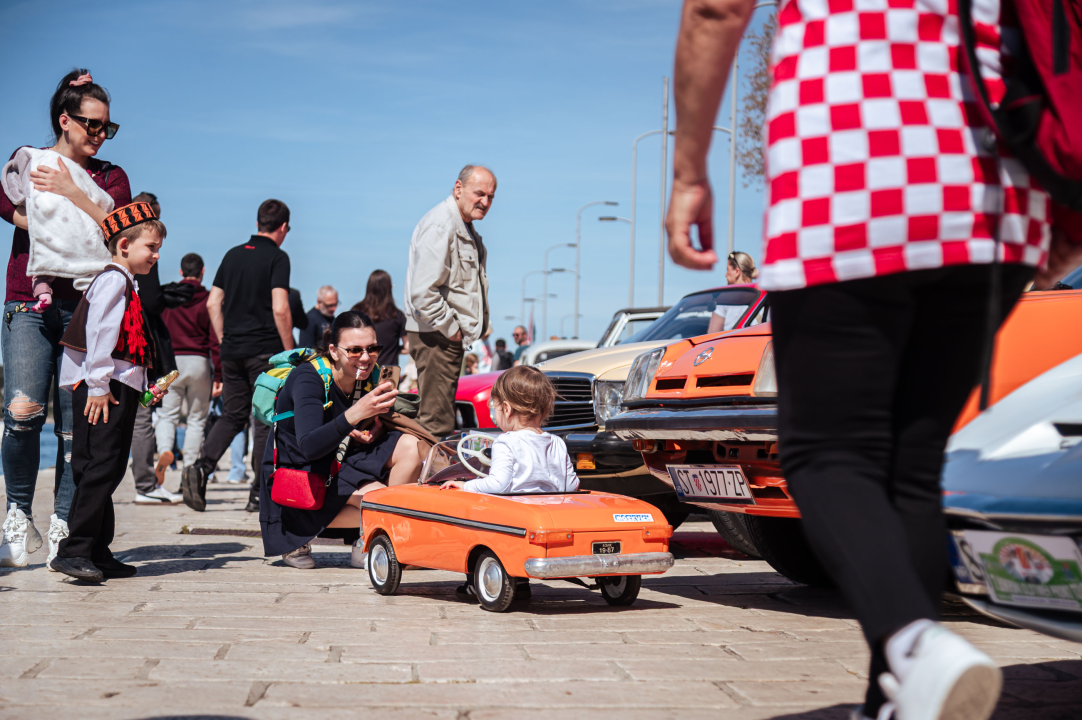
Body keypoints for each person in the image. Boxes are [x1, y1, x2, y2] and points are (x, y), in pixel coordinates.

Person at [665, 1, 1082, 718]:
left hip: (859, 176)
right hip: (1000, 200)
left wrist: (689, 170)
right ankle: (894, 698)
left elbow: (716, 8)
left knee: (828, 453)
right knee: (911, 464)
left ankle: (915, 642)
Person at [0, 69, 131, 569]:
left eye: (107, 128)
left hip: (86, 307)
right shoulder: (32, 160)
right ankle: (17, 516)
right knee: (23, 411)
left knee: (77, 427)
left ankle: (64, 523)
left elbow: (123, 225)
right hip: (26, 301)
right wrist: (42, 223)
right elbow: (3, 196)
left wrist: (71, 196)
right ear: (64, 120)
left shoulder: (110, 177)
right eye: (92, 125)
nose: (100, 135)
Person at [50, 202, 167, 582]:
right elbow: (99, 332)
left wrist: (145, 384)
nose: (156, 254)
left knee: (107, 465)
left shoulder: (123, 282)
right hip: (104, 388)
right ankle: (75, 549)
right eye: (150, 246)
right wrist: (98, 385)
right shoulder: (114, 280)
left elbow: (125, 342)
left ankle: (97, 550)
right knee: (100, 465)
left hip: (116, 385)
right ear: (123, 245)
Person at [260, 312, 425, 569]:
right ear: (334, 351)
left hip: (341, 459)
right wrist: (357, 413)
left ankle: (367, 540)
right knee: (384, 500)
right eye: (355, 350)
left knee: (410, 446)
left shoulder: (371, 375)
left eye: (372, 348)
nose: (366, 357)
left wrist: (374, 430)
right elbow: (309, 446)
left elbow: (352, 426)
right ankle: (302, 534)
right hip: (301, 472)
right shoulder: (308, 378)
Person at [181, 199, 293, 514]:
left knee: (232, 415)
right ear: (283, 227)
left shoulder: (232, 255)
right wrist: (288, 352)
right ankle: (258, 494)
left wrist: (224, 338)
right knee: (263, 421)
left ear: (258, 223)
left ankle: (201, 467)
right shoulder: (278, 258)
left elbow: (213, 303)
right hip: (265, 352)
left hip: (232, 351)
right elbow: (280, 308)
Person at [404, 165, 494, 438]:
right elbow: (423, 291)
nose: (485, 202)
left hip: (442, 336)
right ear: (458, 189)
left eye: (491, 196)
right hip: (437, 337)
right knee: (436, 424)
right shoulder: (442, 224)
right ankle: (425, 479)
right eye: (479, 193)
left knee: (438, 418)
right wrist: (452, 329)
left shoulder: (461, 226)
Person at [441, 366, 578, 495]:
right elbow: (571, 485)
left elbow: (498, 485)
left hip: (517, 513)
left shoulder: (506, 442)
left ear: (506, 409)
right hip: (552, 509)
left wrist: (466, 485)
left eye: (495, 407)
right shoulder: (557, 443)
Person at [153, 253, 221, 501]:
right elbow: (215, 339)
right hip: (200, 361)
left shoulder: (168, 297)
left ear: (181, 273)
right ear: (202, 272)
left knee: (166, 415)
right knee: (196, 420)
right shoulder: (209, 299)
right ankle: (189, 473)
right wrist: (219, 372)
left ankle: (163, 451)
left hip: (170, 364)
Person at [128, 192, 180, 504]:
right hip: (138, 347)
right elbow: (151, 301)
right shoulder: (140, 262)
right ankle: (145, 484)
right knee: (141, 416)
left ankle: (144, 481)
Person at [352, 270, 407, 372]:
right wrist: (394, 350)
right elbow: (407, 347)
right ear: (388, 289)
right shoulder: (396, 315)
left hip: (361, 368)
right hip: (388, 371)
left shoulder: (356, 311)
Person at [707, 251, 759, 333]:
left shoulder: (724, 299)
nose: (725, 274)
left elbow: (712, 334)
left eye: (728, 270)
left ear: (737, 272)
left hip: (731, 344)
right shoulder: (766, 295)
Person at [297, 285, 337, 349]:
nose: (334, 309)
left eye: (336, 304)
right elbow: (305, 349)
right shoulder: (309, 319)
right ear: (319, 302)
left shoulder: (331, 318)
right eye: (330, 305)